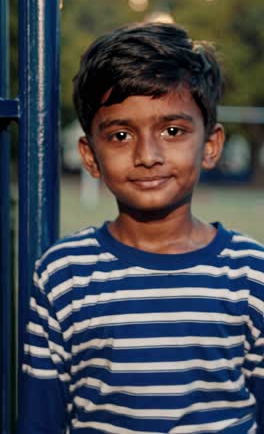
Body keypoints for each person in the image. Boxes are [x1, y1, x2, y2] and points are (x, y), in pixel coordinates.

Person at [17, 22, 264, 434]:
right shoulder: (63, 274)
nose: (147, 155)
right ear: (90, 156)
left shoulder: (251, 272)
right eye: (119, 134)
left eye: (172, 131)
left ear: (210, 146)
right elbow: (39, 421)